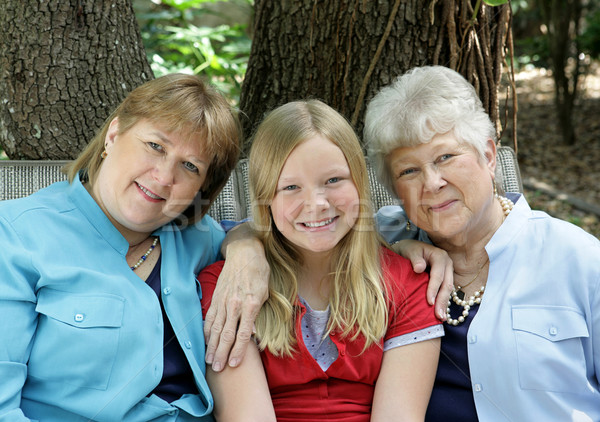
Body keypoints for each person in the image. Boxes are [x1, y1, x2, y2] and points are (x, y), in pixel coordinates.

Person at [0, 73, 266, 421]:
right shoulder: (17, 234)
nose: (164, 177)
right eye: (155, 146)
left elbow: (247, 232)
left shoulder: (197, 240)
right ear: (113, 135)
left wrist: (247, 250)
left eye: (190, 166)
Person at [363, 65, 600, 421]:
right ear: (396, 192)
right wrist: (245, 247)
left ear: (489, 156)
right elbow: (294, 236)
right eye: (408, 171)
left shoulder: (576, 259)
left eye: (445, 157)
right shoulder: (380, 250)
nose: (432, 182)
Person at [197, 100, 444, 421]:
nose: (316, 204)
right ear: (266, 198)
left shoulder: (407, 283)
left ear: (359, 182)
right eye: (290, 187)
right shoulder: (228, 286)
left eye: (333, 180)